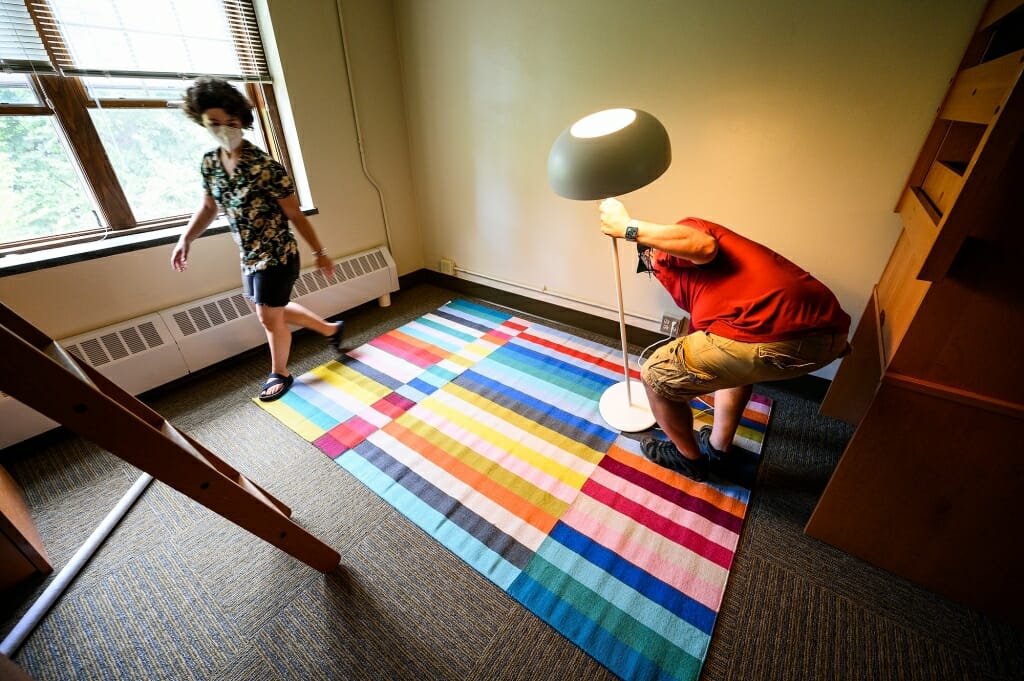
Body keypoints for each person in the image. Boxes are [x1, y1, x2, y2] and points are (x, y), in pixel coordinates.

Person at [598, 198, 850, 484]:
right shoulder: (704, 288)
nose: (652, 270)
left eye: (649, 262)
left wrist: (628, 228)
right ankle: (719, 451)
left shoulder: (675, 243)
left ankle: (689, 459)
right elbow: (707, 337)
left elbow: (702, 247)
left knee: (655, 377)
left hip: (778, 336)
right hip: (827, 333)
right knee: (732, 367)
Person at [171, 78, 344, 403]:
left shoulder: (265, 167)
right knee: (271, 312)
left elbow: (295, 214)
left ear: (242, 121)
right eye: (215, 123)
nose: (224, 129)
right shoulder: (210, 164)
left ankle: (280, 372)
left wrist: (320, 252)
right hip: (248, 256)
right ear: (203, 122)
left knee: (267, 317)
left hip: (278, 254)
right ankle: (331, 330)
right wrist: (186, 238)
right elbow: (209, 207)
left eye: (231, 122)